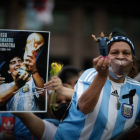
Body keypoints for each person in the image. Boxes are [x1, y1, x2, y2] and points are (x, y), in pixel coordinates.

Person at [51, 28, 140, 140]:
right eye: (114, 52)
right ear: (106, 57)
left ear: (132, 61)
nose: (121, 57)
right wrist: (102, 76)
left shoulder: (137, 89)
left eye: (126, 53)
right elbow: (85, 107)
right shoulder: (91, 75)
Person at [13, 76, 74, 140]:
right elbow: (23, 114)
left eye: (68, 101)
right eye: (58, 102)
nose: (64, 104)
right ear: (50, 105)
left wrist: (63, 90)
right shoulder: (51, 129)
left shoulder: (85, 125)